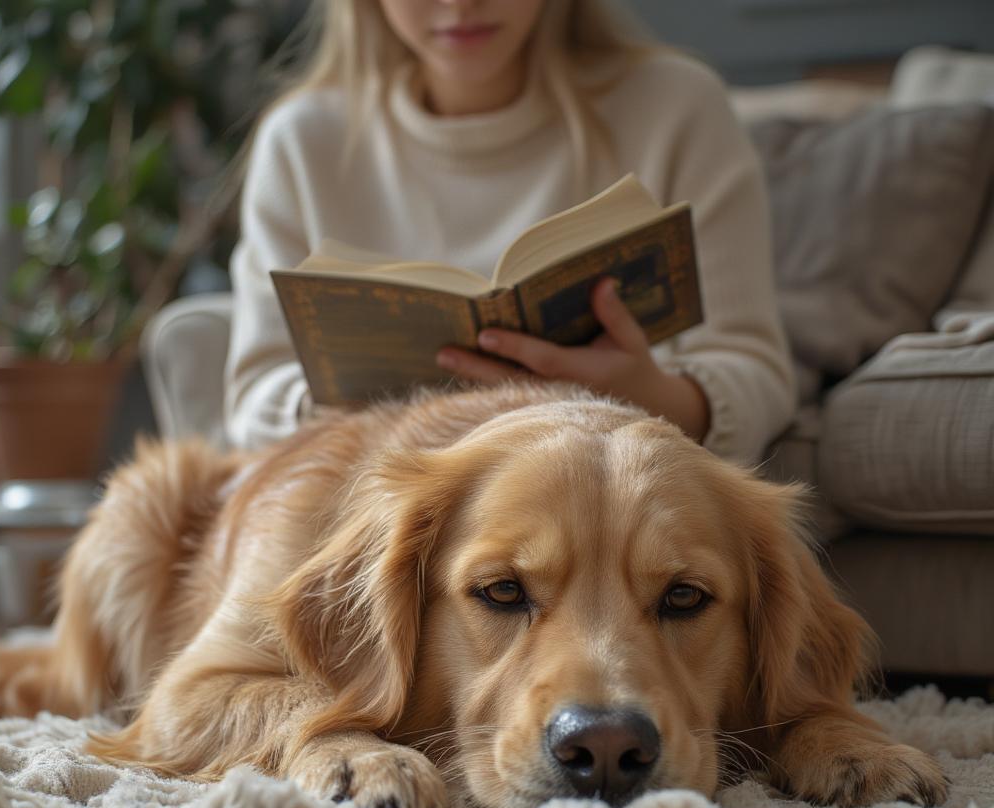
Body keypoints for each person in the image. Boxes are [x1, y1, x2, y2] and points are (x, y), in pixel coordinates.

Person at [226, 0, 797, 464]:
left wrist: (647, 397)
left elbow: (756, 374)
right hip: (382, 500)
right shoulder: (303, 141)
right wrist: (367, 410)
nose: (460, 4)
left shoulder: (676, 107)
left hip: (607, 494)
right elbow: (252, 403)